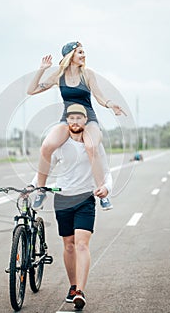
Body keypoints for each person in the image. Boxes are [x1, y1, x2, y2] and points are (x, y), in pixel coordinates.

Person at [29, 104, 113, 310]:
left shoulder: (93, 144)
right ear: (67, 120)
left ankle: (80, 292)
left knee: (82, 244)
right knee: (68, 245)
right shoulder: (60, 144)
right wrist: (34, 186)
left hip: (85, 199)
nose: (75, 122)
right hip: (63, 199)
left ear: (86, 121)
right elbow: (45, 169)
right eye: (71, 118)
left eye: (79, 118)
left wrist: (106, 188)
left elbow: (106, 171)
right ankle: (73, 285)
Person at [27, 41, 125, 211]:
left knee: (91, 146)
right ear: (70, 56)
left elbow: (99, 97)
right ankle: (41, 191)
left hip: (89, 119)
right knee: (47, 146)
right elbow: (31, 90)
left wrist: (110, 104)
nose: (83, 55)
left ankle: (103, 193)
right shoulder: (59, 76)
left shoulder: (87, 74)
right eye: (80, 52)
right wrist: (41, 69)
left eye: (83, 52)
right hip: (67, 119)